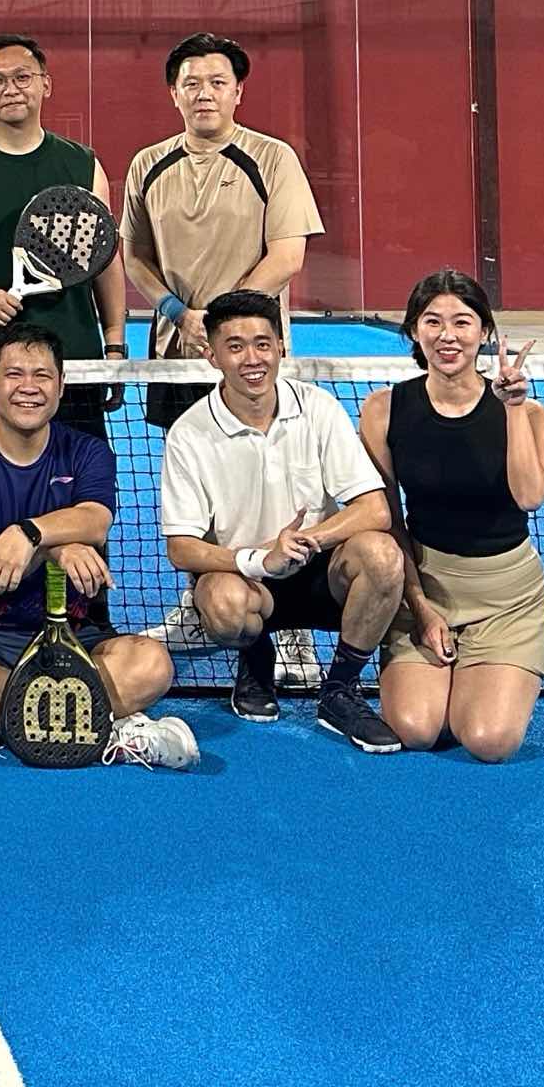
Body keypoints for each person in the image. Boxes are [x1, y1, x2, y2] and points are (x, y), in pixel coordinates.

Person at [0, 321, 195, 769]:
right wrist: (54, 549)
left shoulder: (88, 453)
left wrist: (29, 534)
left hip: (75, 636)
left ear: (61, 385)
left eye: (42, 375)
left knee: (152, 664)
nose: (28, 387)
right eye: (14, 374)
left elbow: (95, 521)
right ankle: (103, 726)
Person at [160, 290, 404, 751]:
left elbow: (375, 509)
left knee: (383, 554)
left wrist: (307, 540)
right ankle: (255, 659)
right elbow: (182, 548)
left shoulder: (318, 407)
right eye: (235, 346)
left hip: (322, 572)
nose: (252, 359)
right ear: (212, 355)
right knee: (223, 605)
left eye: (262, 344)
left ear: (280, 346)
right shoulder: (189, 433)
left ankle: (339, 690)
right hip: (247, 577)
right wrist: (260, 559)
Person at [358, 271, 544, 762]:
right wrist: (420, 606)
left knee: (488, 741)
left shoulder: (530, 413)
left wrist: (513, 409)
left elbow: (530, 497)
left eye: (462, 322)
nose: (448, 336)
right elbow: (388, 520)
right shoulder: (383, 410)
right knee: (416, 730)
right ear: (413, 330)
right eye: (433, 321)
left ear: (484, 331)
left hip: (506, 601)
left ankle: (483, 674)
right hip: (424, 588)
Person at [0, 33, 126, 441]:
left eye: (22, 77)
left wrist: (115, 344)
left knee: (76, 474)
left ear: (45, 84)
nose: (11, 89)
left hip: (71, 359)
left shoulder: (84, 166)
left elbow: (104, 260)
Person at [121, 33, 323, 431]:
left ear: (238, 91)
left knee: (259, 455)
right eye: (191, 84)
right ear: (174, 94)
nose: (204, 94)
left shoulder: (274, 158)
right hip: (176, 347)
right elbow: (135, 257)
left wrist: (220, 321)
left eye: (217, 82)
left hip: (252, 349)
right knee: (182, 455)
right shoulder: (147, 164)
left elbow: (286, 258)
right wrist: (181, 316)